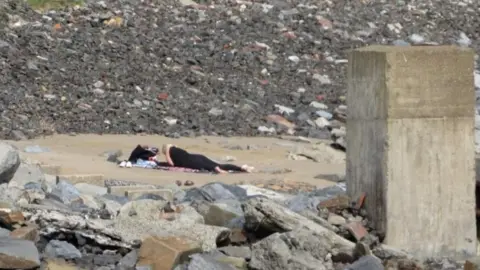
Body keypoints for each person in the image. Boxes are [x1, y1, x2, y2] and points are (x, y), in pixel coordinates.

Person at [161, 144, 254, 174]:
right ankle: (241, 168)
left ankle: (217, 170)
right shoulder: (177, 149)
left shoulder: (170, 152)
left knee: (212, 167)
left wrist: (167, 153)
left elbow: (171, 164)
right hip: (197, 156)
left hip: (192, 161)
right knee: (219, 165)